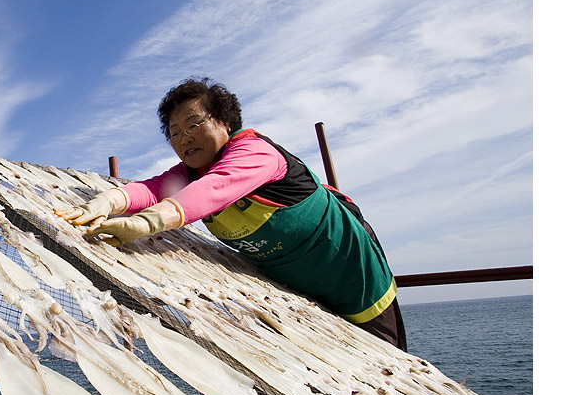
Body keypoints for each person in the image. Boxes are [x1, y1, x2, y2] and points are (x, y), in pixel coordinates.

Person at [55, 77, 407, 350]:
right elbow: (150, 189)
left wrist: (147, 223)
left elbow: (212, 191)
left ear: (224, 121)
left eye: (194, 125)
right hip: (293, 284)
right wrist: (103, 203)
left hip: (351, 273)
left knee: (386, 365)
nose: (183, 139)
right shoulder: (192, 171)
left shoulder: (256, 153)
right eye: (174, 133)